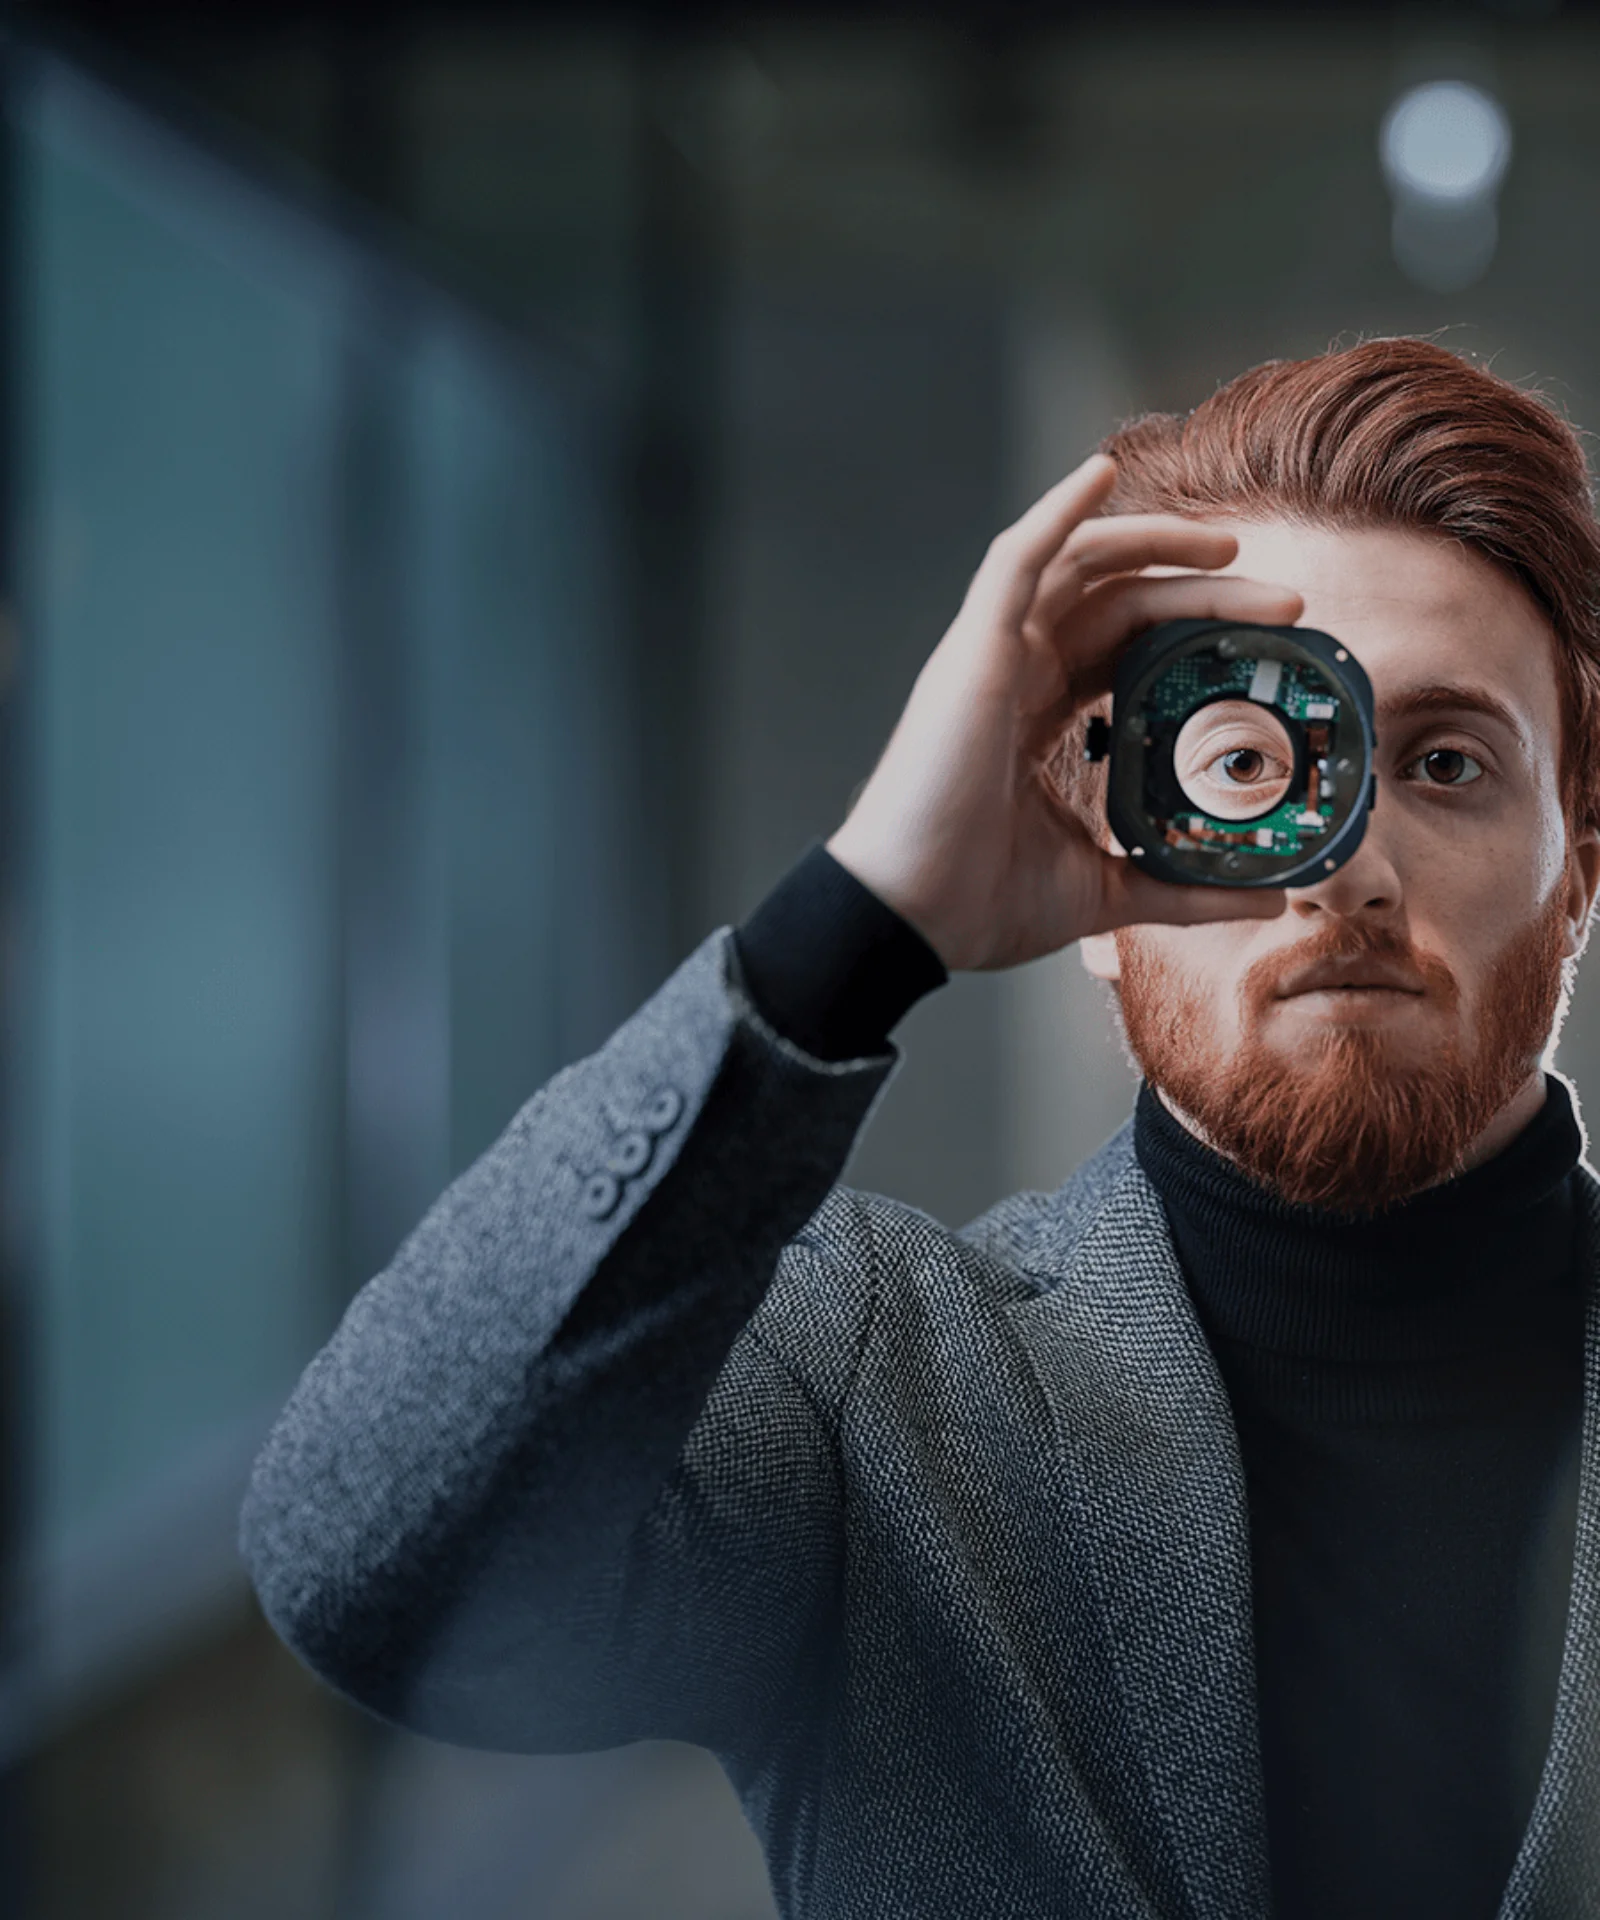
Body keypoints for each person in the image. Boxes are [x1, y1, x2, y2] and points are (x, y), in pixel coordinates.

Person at [239, 337, 1600, 1920]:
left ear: (1578, 865)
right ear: (1106, 854)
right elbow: (369, 1565)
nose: (1343, 865)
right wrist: (864, 920)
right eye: (1251, 762)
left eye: (1445, 763)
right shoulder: (871, 1377)